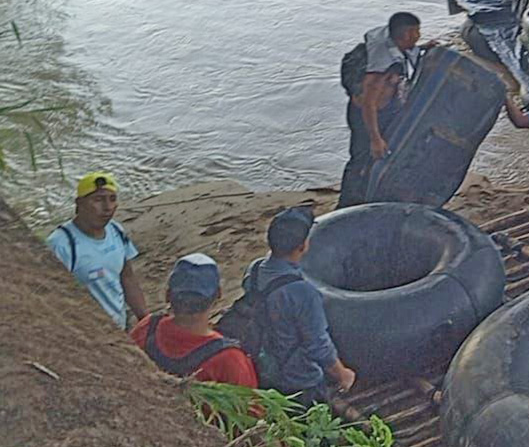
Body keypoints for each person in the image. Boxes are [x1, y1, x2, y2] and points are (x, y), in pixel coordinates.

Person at [245, 206, 356, 406]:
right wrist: (343, 374)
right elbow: (318, 345)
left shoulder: (253, 271)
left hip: (263, 368)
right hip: (298, 380)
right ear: (303, 246)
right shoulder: (303, 293)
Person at [130, 254, 258, 387]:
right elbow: (252, 406)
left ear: (167, 295)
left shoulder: (145, 329)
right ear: (218, 294)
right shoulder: (230, 360)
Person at [338, 11, 424, 209]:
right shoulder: (380, 68)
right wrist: (375, 139)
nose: (419, 36)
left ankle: (373, 194)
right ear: (407, 34)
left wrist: (422, 49)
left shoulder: (391, 43)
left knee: (387, 154)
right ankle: (346, 206)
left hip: (387, 108)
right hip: (366, 114)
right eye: (417, 32)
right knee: (361, 159)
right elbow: (369, 103)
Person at [46, 172, 147, 329]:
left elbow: (127, 277)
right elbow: (51, 297)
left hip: (119, 326)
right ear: (79, 203)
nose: (107, 208)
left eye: (112, 199)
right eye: (98, 200)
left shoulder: (116, 231)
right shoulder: (62, 244)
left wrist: (145, 319)